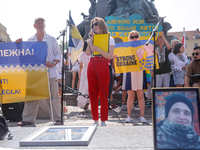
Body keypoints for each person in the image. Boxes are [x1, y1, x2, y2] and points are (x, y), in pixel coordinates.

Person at [16, 18, 62, 126]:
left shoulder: (51, 39)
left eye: (42, 23)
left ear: (45, 25)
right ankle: (27, 119)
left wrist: (53, 63)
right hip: (35, 74)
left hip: (49, 72)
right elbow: (26, 55)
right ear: (34, 26)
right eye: (38, 23)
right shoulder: (30, 40)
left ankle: (57, 118)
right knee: (32, 96)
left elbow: (58, 54)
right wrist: (20, 45)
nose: (41, 25)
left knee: (53, 96)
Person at [86, 17, 115, 126]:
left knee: (103, 93)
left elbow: (110, 56)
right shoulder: (91, 38)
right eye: (93, 25)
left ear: (101, 24)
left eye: (96, 24)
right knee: (92, 93)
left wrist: (98, 49)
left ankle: (103, 119)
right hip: (92, 64)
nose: (94, 26)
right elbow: (88, 53)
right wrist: (91, 40)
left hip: (103, 64)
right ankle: (95, 119)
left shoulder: (110, 39)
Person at [125, 30, 146, 123]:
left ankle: (142, 116)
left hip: (140, 71)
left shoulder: (143, 48)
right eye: (132, 37)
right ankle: (128, 116)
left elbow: (147, 58)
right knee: (130, 96)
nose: (134, 38)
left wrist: (154, 53)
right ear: (129, 38)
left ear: (139, 37)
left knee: (140, 95)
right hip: (130, 72)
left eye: (136, 36)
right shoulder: (125, 48)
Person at [77, 40, 91, 116]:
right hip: (91, 71)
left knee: (83, 88)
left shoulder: (82, 54)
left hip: (84, 72)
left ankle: (84, 102)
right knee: (90, 87)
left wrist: (80, 73)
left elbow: (80, 66)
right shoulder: (92, 53)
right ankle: (90, 103)